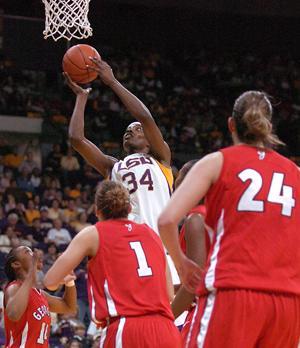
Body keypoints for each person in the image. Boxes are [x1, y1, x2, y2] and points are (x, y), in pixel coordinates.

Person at [158, 91, 300, 348]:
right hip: (287, 302)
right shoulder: (296, 173)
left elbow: (166, 220)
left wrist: (181, 263)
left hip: (234, 292)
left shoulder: (217, 161)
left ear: (231, 124)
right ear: (269, 125)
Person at [65, 57, 179, 284]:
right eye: (127, 130)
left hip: (161, 244)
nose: (130, 131)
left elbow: (145, 117)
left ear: (149, 139)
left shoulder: (160, 158)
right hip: (129, 244)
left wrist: (113, 82)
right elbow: (76, 139)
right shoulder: (113, 166)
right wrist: (81, 98)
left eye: (135, 129)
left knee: (171, 311)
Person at [44, 181, 182, 348]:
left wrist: (66, 280)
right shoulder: (151, 233)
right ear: (130, 209)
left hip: (127, 328)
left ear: (97, 211)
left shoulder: (93, 233)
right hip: (166, 329)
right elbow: (169, 294)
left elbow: (50, 281)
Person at [3, 246, 77, 347]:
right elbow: (14, 314)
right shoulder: (14, 287)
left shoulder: (40, 294)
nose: (34, 254)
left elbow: (69, 307)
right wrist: (32, 269)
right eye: (27, 252)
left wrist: (69, 281)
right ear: (16, 264)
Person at [171, 160, 209, 339]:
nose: (174, 184)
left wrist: (165, 318)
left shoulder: (196, 218)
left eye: (178, 179)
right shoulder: (214, 214)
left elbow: (196, 281)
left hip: (206, 309)